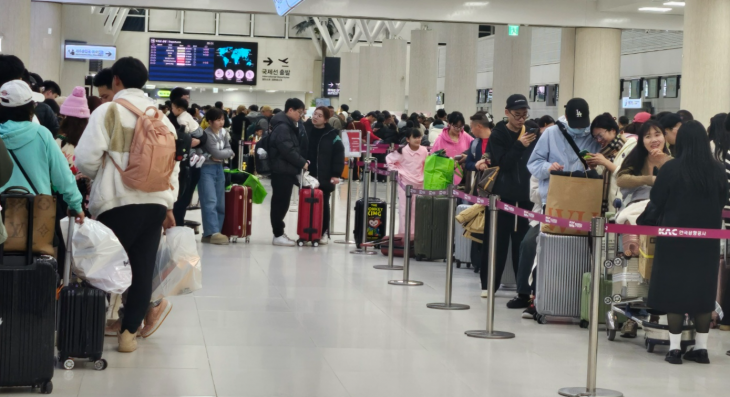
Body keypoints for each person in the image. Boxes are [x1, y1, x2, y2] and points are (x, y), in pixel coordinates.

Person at [74, 57, 179, 353]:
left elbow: (84, 158)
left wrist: (105, 177)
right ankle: (128, 335)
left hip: (116, 202)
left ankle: (89, 333)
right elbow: (174, 167)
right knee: (142, 268)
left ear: (116, 79)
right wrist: (168, 204)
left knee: (102, 268)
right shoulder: (162, 117)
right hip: (156, 203)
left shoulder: (108, 111)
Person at [637, 121, 728, 365]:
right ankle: (701, 349)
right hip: (707, 242)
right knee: (702, 293)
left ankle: (675, 350)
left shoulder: (671, 169)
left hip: (674, 240)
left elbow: (657, 202)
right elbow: (721, 203)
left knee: (674, 292)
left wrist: (643, 221)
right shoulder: (718, 171)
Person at [0, 80, 85, 245]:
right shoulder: (42, 135)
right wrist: (75, 204)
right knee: (41, 264)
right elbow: (62, 175)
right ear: (30, 108)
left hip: (1, 217)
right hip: (37, 214)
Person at [481, 95, 538, 304]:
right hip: (502, 196)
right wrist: (519, 145)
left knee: (522, 243)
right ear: (507, 113)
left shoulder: (532, 132)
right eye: (517, 114)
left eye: (524, 114)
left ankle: (523, 289)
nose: (521, 119)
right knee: (497, 241)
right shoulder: (498, 134)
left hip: (525, 196)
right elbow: (502, 163)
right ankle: (488, 285)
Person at [528, 98, 602, 207]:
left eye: (582, 124)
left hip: (585, 199)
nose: (579, 127)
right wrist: (548, 168)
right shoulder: (551, 133)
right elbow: (534, 163)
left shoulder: (594, 136)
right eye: (575, 124)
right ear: (566, 117)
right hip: (554, 199)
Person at [269, 98, 309, 246]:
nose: (300, 115)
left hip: (286, 168)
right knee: (280, 202)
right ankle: (278, 234)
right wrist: (302, 163)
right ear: (290, 110)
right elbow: (287, 150)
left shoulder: (288, 125)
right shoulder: (283, 127)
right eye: (299, 112)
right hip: (281, 169)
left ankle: (279, 233)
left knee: (282, 202)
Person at [304, 106, 345, 244]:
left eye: (320, 115)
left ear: (326, 119)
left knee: (323, 204)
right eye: (315, 114)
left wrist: (335, 174)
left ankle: (323, 232)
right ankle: (306, 230)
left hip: (324, 175)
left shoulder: (332, 135)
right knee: (306, 202)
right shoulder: (305, 130)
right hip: (307, 175)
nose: (315, 117)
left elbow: (338, 155)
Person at [197, 108, 234, 245]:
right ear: (210, 122)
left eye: (223, 119)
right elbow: (217, 153)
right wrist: (224, 153)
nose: (221, 122)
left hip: (219, 168)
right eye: (218, 120)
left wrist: (223, 153)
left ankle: (214, 232)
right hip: (206, 169)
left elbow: (229, 149)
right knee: (210, 200)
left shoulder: (224, 133)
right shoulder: (206, 135)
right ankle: (212, 231)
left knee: (220, 202)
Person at [387, 127, 428, 235]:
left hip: (420, 183)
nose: (418, 139)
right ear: (408, 139)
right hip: (404, 184)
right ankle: (403, 235)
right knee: (404, 210)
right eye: (415, 137)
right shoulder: (402, 151)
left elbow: (426, 165)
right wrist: (398, 171)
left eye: (419, 137)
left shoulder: (424, 150)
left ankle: (415, 236)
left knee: (417, 211)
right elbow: (389, 160)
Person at [430, 111, 474, 185]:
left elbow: (475, 148)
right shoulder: (441, 139)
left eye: (461, 127)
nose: (458, 129)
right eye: (456, 126)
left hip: (463, 178)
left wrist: (467, 157)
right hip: (444, 177)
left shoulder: (465, 136)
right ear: (449, 124)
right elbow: (433, 158)